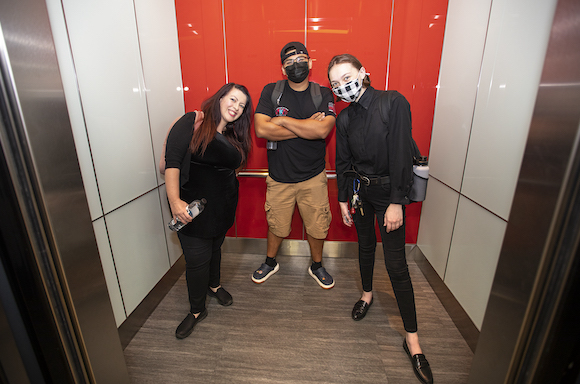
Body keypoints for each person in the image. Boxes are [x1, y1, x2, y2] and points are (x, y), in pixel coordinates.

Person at [328, 54, 433, 384]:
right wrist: (343, 199)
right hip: (360, 192)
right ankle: (367, 294)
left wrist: (397, 202)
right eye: (335, 83)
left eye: (346, 77)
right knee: (364, 245)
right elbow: (343, 162)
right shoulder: (344, 120)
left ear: (362, 73)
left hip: (390, 194)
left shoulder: (393, 102)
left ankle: (412, 339)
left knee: (397, 265)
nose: (342, 86)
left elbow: (402, 152)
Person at [164, 83, 253, 339]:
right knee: (196, 262)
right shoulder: (193, 121)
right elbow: (171, 162)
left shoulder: (234, 136)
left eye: (242, 105)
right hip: (192, 212)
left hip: (222, 209)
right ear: (220, 97)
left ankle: (214, 286)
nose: (236, 107)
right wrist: (174, 201)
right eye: (233, 99)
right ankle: (196, 310)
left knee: (215, 250)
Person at [252, 41, 337, 289]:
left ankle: (317, 265)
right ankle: (270, 261)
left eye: (300, 59)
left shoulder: (323, 93)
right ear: (282, 68)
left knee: (317, 225)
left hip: (313, 177)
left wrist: (281, 122)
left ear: (310, 63)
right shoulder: (272, 91)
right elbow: (260, 129)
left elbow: (322, 130)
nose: (295, 65)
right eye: (289, 62)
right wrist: (303, 125)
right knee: (277, 224)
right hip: (279, 177)